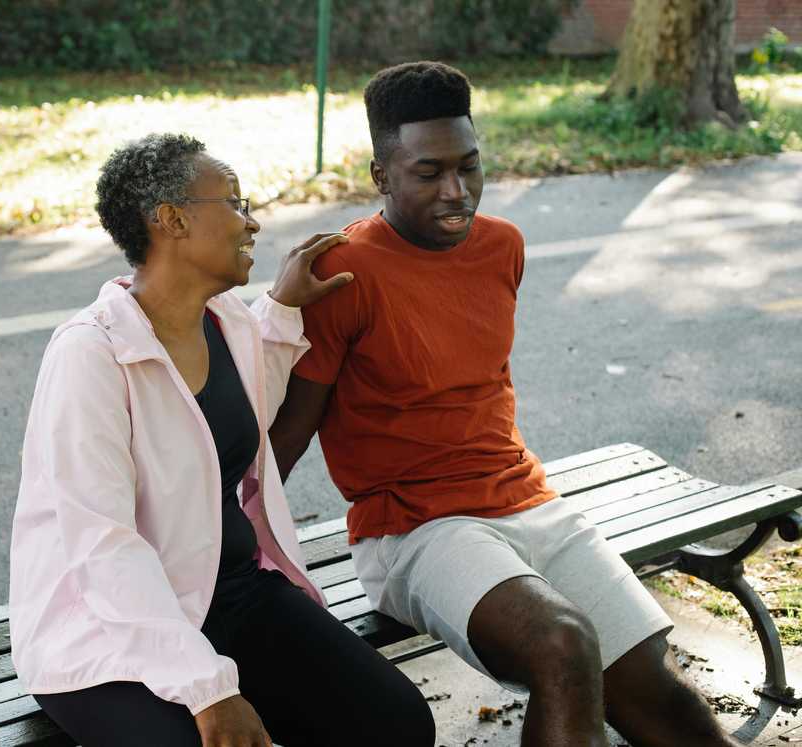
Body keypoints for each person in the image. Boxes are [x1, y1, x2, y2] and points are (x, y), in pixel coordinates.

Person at [269, 62, 744, 747]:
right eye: (428, 172)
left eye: (469, 165)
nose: (455, 191)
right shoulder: (345, 273)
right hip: (414, 530)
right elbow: (285, 437)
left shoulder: (502, 246)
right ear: (381, 175)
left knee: (667, 700)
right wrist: (221, 558)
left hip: (528, 502)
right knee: (563, 644)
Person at [9, 133, 435, 747]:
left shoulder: (228, 320)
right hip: (105, 625)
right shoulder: (91, 355)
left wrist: (284, 307)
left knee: (395, 723)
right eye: (234, 202)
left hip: (233, 591)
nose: (252, 220)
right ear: (172, 220)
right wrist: (208, 689)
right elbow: (102, 547)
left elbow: (227, 414)